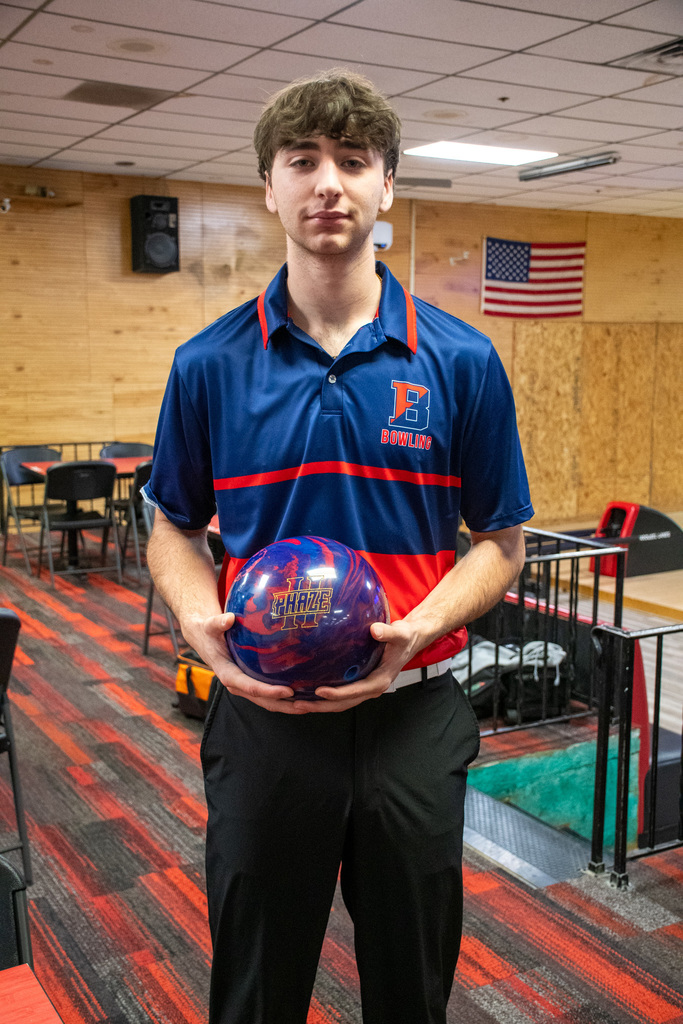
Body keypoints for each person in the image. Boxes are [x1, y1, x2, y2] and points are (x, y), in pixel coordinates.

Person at [144, 70, 533, 1024]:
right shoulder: (206, 366)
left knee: (410, 992)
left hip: (412, 717)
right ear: (268, 188)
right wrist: (205, 631)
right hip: (266, 721)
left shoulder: (462, 362)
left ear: (386, 189)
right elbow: (173, 530)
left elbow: (500, 544)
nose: (329, 183)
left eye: (353, 162)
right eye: (302, 162)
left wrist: (420, 624)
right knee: (254, 991)